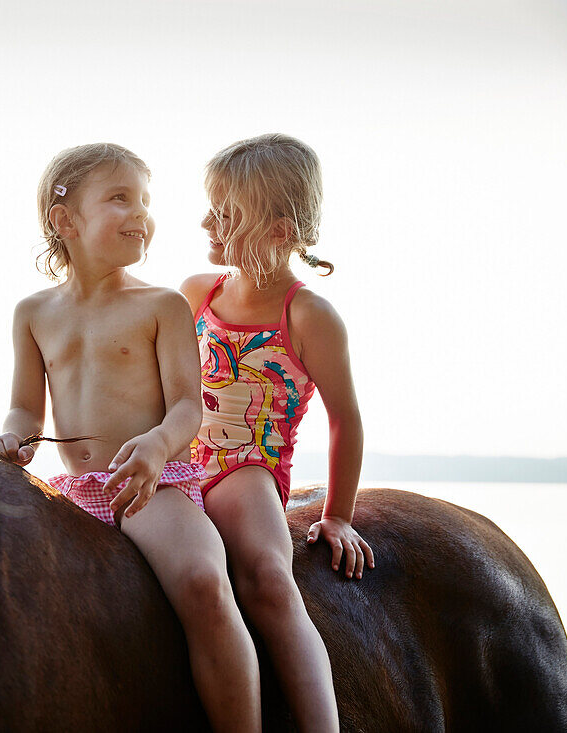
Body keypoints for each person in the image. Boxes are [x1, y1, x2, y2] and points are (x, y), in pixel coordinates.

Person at [0, 143, 260, 732]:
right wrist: (12, 439)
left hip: (150, 488)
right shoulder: (32, 312)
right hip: (73, 494)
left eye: (145, 201)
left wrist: (158, 445)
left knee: (203, 583)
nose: (140, 214)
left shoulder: (160, 305)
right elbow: (23, 409)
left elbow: (190, 407)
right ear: (65, 221)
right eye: (119, 198)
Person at [181, 134, 373, 732]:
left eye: (226, 212)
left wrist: (338, 514)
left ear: (278, 230)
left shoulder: (307, 314)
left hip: (246, 466)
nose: (206, 221)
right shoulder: (197, 293)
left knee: (267, 577)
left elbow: (346, 419)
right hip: (179, 459)